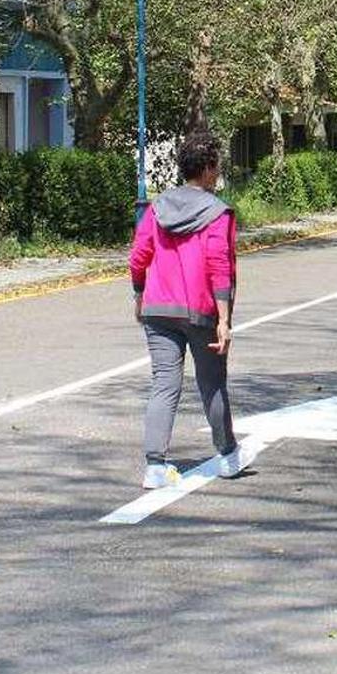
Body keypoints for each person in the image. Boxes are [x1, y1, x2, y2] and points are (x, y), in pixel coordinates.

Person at [129, 129, 240, 488]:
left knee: (164, 383)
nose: (218, 172)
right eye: (216, 166)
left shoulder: (158, 207)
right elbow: (218, 265)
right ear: (207, 168)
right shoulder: (217, 212)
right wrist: (223, 319)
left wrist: (139, 293)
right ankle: (227, 457)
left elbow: (138, 256)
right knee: (211, 384)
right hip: (200, 312)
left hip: (158, 309)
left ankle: (155, 467)